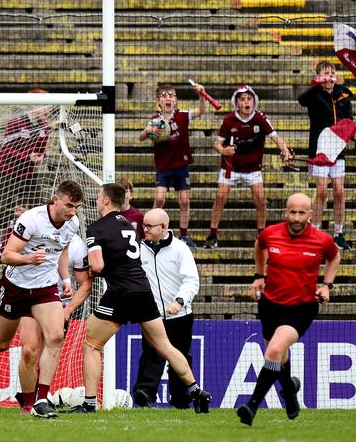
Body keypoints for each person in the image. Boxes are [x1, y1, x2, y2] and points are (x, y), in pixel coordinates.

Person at [73, 183, 211, 414]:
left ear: (106, 201)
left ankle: (88, 403)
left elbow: (97, 265)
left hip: (119, 294)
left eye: (98, 198)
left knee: (92, 345)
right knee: (165, 346)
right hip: (144, 292)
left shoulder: (97, 227)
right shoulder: (128, 225)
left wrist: (92, 268)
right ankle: (197, 391)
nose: (97, 202)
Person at [0, 180, 84, 419]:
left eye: (76, 207)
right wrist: (30, 259)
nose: (72, 211)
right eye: (68, 205)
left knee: (54, 337)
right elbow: (6, 255)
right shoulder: (31, 219)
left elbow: (62, 251)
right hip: (16, 286)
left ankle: (38, 401)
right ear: (56, 199)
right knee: (2, 343)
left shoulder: (72, 223)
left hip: (44, 289)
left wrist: (65, 279)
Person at [237, 193, 340, 426]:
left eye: (301, 213)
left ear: (310, 215)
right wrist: (259, 275)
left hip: (301, 309)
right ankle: (290, 391)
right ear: (285, 212)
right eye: (292, 212)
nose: (296, 217)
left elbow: (335, 257)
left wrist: (326, 286)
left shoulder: (321, 240)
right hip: (270, 305)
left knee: (273, 351)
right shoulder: (270, 233)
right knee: (279, 357)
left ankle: (251, 406)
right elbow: (259, 246)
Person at [205, 85, 293, 248]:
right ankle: (212, 235)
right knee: (220, 197)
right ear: (236, 103)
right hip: (230, 167)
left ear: (254, 101)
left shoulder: (260, 118)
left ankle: (261, 235)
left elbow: (276, 138)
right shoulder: (229, 120)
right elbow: (216, 144)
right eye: (242, 99)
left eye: (249, 98)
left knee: (260, 199)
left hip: (252, 167)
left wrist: (286, 151)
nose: (246, 102)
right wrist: (224, 150)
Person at [14, 233, 90, 414]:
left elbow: (86, 284)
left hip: (58, 306)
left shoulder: (78, 248)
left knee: (46, 354)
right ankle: (27, 399)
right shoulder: (36, 237)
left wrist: (68, 309)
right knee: (28, 351)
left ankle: (38, 399)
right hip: (30, 299)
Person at [133, 208, 200, 409]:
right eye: (143, 225)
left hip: (180, 316)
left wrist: (179, 301)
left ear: (163, 227)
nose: (144, 229)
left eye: (149, 226)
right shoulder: (138, 249)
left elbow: (192, 280)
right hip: (152, 316)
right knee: (150, 354)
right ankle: (145, 395)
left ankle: (181, 400)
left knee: (180, 355)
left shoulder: (181, 249)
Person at [139, 83, 208, 248]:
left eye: (171, 95)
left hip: (180, 165)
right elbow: (141, 137)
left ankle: (184, 235)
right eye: (164, 96)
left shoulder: (183, 116)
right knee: (160, 199)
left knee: (184, 201)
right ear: (158, 101)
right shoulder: (155, 120)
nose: (168, 98)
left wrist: (201, 95)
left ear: (176, 100)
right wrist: (148, 131)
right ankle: (148, 231)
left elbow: (201, 111)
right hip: (163, 167)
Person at [298, 61, 356, 250]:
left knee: (339, 191)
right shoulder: (314, 95)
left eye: (332, 73)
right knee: (322, 191)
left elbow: (349, 118)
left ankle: (339, 233)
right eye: (325, 73)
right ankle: (313, 231)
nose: (329, 76)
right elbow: (302, 99)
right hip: (320, 149)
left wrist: (354, 130)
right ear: (319, 77)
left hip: (338, 148)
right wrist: (316, 84)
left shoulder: (344, 94)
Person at [0, 89, 53, 222]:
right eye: (46, 106)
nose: (49, 111)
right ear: (34, 106)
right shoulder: (16, 123)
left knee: (38, 205)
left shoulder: (44, 127)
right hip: (6, 171)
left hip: (27, 173)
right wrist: (27, 157)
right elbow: (6, 149)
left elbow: (40, 150)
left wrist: (41, 156)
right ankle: (8, 233)